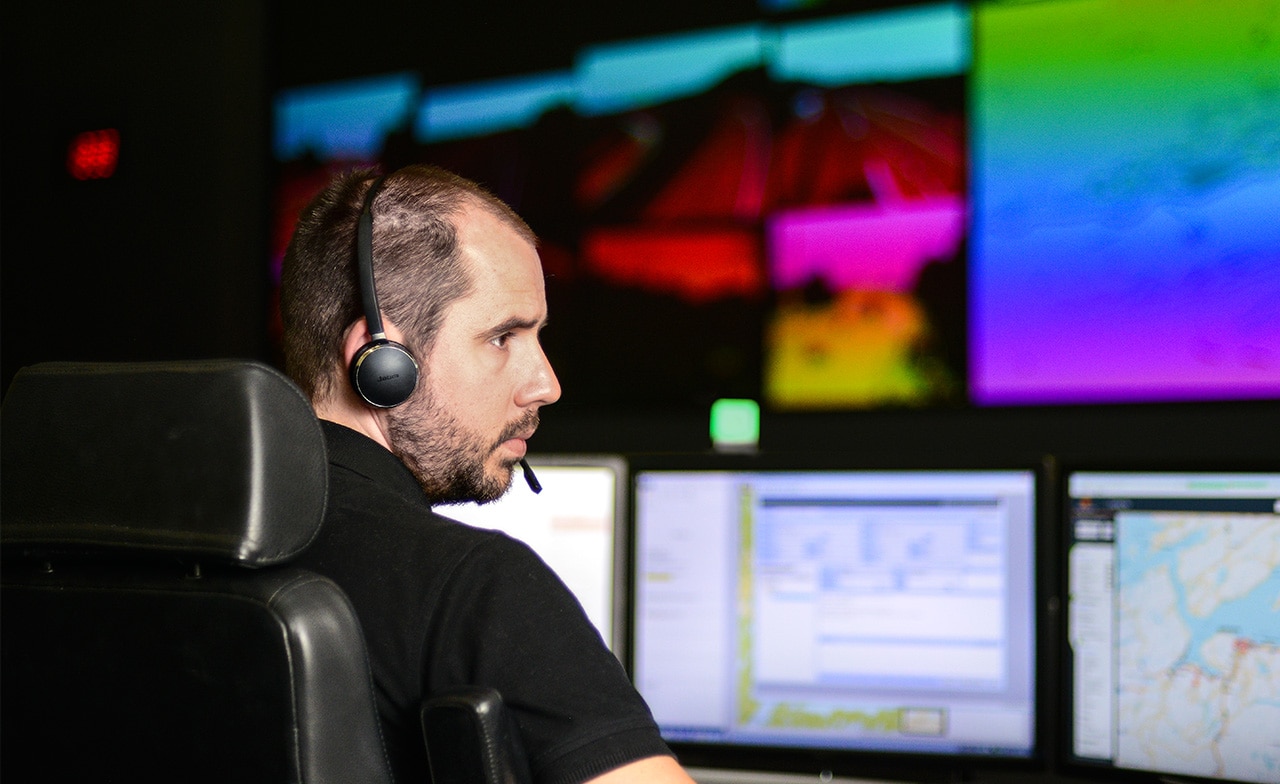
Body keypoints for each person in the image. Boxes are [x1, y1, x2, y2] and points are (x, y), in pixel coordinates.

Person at [279, 164, 696, 784]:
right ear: (381, 360)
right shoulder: (476, 591)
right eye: (504, 337)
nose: (546, 384)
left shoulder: (166, 548)